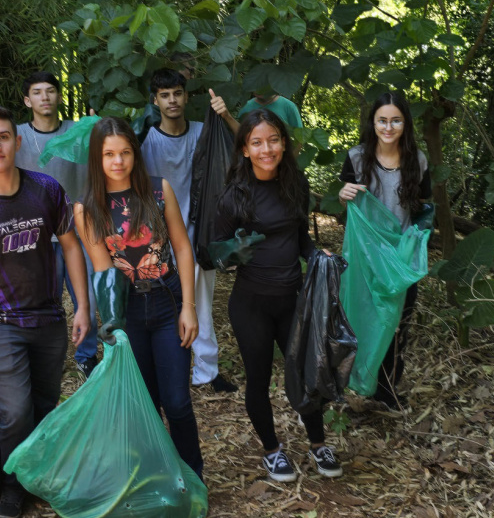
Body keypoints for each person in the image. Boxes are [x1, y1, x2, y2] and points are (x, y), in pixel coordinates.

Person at [0, 102, 91, 518]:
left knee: (45, 403)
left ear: (17, 141)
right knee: (15, 409)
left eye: (3, 137)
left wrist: (82, 308)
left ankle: (41, 475)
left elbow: (71, 246)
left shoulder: (46, 189)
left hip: (48, 317)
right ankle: (13, 486)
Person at [213, 108, 342, 482]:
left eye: (273, 140)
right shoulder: (233, 197)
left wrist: (319, 256)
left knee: (305, 372)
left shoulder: (296, 184)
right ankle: (272, 450)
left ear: (283, 144)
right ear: (244, 150)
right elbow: (213, 252)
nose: (266, 148)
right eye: (257, 142)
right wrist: (234, 251)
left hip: (293, 300)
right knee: (259, 377)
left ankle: (318, 444)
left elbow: (301, 239)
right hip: (251, 303)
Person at [73, 116, 204, 480]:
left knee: (177, 402)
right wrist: (111, 328)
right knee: (144, 405)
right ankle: (156, 477)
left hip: (167, 301)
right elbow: (103, 269)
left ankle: (192, 476)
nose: (118, 161)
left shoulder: (159, 191)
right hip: (127, 311)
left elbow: (181, 246)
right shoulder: (87, 208)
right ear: (97, 159)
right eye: (109, 154)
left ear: (136, 153)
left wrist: (190, 308)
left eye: (126, 152)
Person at [140, 68, 238, 393]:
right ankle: (169, 370)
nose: (172, 100)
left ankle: (207, 372)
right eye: (165, 95)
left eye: (177, 93)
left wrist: (227, 116)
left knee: (200, 303)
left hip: (198, 232)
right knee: (163, 306)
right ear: (155, 100)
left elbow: (243, 150)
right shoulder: (146, 140)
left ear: (186, 96)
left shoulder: (202, 131)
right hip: (158, 236)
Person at [337, 91, 433, 410]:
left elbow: (425, 209)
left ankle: (386, 390)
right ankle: (346, 382)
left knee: (397, 324)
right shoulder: (355, 157)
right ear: (373, 122)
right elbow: (346, 204)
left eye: (395, 120)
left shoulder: (417, 161)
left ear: (405, 123)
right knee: (358, 316)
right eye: (382, 120)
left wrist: (416, 244)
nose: (388, 127)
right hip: (364, 255)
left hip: (401, 258)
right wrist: (343, 193)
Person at [14, 71, 100, 378]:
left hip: (79, 226)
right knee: (41, 297)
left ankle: (86, 354)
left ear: (59, 96)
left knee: (86, 294)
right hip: (36, 229)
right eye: (37, 92)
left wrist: (97, 131)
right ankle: (45, 354)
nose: (45, 97)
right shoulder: (16, 134)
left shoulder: (78, 130)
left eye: (51, 91)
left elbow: (107, 153)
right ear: (27, 100)